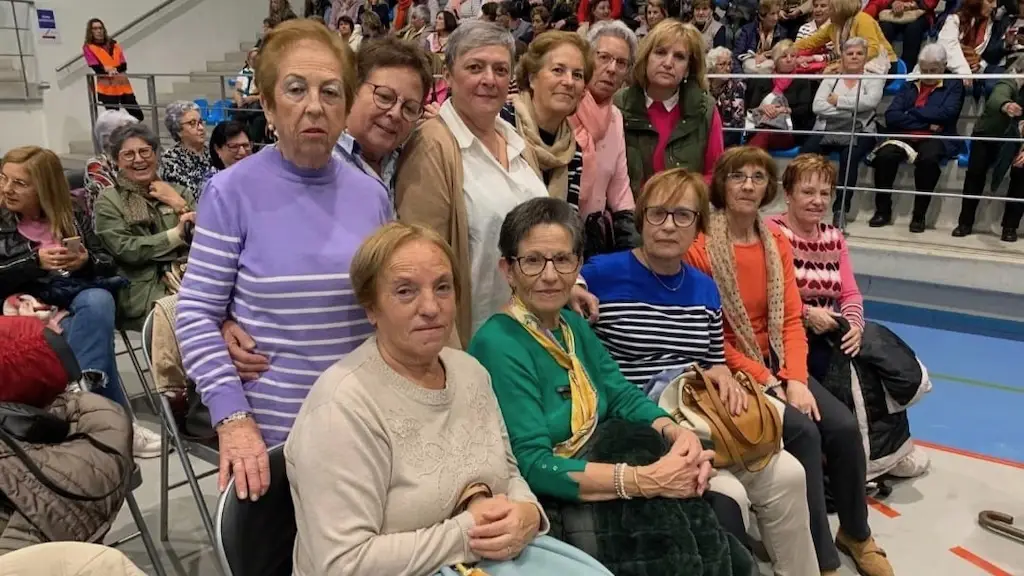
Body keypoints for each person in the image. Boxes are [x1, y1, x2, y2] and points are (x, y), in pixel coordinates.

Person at [285, 222, 612, 576]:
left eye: (442, 287)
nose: (431, 307)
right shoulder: (342, 408)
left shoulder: (470, 372)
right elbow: (343, 564)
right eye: (405, 291)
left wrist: (528, 513)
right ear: (371, 308)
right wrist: (467, 532)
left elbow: (508, 472)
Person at [468, 197, 755, 576]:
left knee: (725, 529)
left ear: (578, 265)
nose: (550, 275)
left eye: (562, 259)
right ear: (508, 269)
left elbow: (620, 393)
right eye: (533, 261)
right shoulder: (499, 341)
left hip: (607, 468)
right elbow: (533, 465)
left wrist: (676, 433)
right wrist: (645, 481)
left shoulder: (572, 327)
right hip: (556, 495)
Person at [176, 19, 391, 502]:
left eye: (331, 91)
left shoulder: (373, 195)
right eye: (295, 89)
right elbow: (193, 314)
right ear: (269, 106)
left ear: (346, 105)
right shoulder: (231, 191)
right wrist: (233, 418)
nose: (314, 105)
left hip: (363, 427)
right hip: (271, 440)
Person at [575, 168, 818, 575]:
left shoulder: (705, 288)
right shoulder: (602, 272)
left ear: (698, 228)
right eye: (657, 214)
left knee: (790, 474)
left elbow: (711, 358)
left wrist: (721, 371)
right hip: (640, 420)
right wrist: (573, 289)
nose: (669, 226)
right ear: (641, 219)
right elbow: (561, 285)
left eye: (683, 216)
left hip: (701, 411)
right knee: (731, 495)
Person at [685, 146, 895, 576]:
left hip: (779, 364)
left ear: (767, 189)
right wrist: (767, 379)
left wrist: (795, 379)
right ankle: (820, 559)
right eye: (737, 176)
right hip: (733, 368)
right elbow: (712, 337)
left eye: (757, 178)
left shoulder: (773, 239)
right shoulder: (701, 246)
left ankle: (855, 531)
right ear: (721, 183)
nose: (747, 185)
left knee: (841, 426)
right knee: (803, 432)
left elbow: (791, 320)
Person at [767, 155, 932, 479]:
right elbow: (767, 296)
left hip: (831, 326)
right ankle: (861, 461)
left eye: (825, 193)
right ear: (788, 194)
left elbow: (850, 294)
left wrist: (853, 325)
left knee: (872, 360)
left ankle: (888, 452)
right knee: (849, 372)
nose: (817, 201)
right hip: (787, 332)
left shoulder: (833, 237)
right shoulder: (773, 232)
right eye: (808, 192)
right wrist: (806, 313)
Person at [0, 145, 162, 458]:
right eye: (4, 178)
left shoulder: (72, 214)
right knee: (94, 328)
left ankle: (84, 401)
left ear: (44, 186)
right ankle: (117, 423)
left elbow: (106, 262)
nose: (7, 188)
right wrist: (33, 262)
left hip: (69, 302)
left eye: (19, 183)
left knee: (98, 300)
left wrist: (85, 262)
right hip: (20, 311)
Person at [395, 20, 548, 345]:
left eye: (500, 69)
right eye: (475, 67)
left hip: (529, 335)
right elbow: (423, 260)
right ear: (448, 75)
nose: (489, 80)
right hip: (470, 339)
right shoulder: (432, 145)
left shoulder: (518, 143)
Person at [94, 123, 195, 331]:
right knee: (189, 319)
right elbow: (127, 249)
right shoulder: (109, 200)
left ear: (156, 155)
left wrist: (177, 203)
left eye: (144, 151)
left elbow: (205, 238)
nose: (139, 159)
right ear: (116, 161)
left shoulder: (178, 192)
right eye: (128, 154)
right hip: (142, 293)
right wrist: (175, 236)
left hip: (188, 278)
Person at [615, 20, 724, 196]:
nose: (668, 63)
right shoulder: (618, 104)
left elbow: (715, 174)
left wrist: (675, 196)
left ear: (688, 69)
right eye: (660, 52)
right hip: (628, 215)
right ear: (646, 57)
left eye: (679, 57)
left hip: (684, 213)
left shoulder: (706, 109)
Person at [869, 43, 965, 231]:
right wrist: (926, 122)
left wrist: (911, 112)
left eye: (933, 70)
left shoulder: (954, 84)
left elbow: (947, 114)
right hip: (904, 135)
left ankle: (919, 216)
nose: (928, 75)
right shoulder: (910, 85)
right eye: (924, 69)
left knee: (928, 160)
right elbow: (891, 116)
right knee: (884, 156)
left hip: (938, 137)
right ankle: (882, 210)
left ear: (944, 66)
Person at [569, 21, 639, 259]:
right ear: (587, 58)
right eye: (604, 57)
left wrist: (633, 249)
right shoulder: (563, 104)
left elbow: (620, 188)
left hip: (593, 237)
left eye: (621, 63)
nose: (612, 68)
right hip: (556, 233)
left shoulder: (616, 117)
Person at [337, 35, 433, 207]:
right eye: (384, 97)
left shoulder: (410, 163)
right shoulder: (315, 162)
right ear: (353, 89)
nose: (396, 114)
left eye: (410, 108)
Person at [799, 37, 883, 226]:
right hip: (826, 128)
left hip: (860, 130)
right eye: (850, 53)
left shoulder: (873, 78)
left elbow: (870, 102)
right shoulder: (832, 77)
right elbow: (817, 106)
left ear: (865, 57)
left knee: (850, 156)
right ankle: (801, 204)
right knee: (805, 155)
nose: (854, 57)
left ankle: (841, 210)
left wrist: (837, 101)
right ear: (843, 56)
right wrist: (852, 109)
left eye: (859, 53)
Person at [500, 31, 588, 206]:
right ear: (532, 78)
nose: (569, 82)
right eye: (558, 70)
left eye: (577, 75)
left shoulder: (572, 149)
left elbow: (569, 215)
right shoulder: (502, 123)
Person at [953, 60, 1024, 241]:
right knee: (975, 172)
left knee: (1021, 172)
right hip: (989, 134)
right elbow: (997, 97)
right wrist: (1007, 105)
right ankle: (965, 223)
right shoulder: (1009, 80)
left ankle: (1010, 227)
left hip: (1018, 140)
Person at [744, 40, 817, 151]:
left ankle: (747, 163)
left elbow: (805, 111)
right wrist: (763, 108)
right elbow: (750, 106)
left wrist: (784, 110)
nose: (789, 59)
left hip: (788, 130)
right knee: (763, 133)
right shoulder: (761, 80)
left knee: (765, 134)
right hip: (760, 126)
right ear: (775, 60)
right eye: (784, 56)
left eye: (793, 56)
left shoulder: (803, 81)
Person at [794, 0, 896, 73]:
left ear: (839, 10)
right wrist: (787, 48)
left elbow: (873, 50)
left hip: (882, 65)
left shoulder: (863, 20)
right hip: (852, 64)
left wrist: (843, 65)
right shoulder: (834, 26)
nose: (827, 12)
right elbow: (810, 41)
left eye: (830, 9)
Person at [935, 0, 1007, 96]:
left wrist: (979, 65)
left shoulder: (993, 24)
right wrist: (965, 72)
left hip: (974, 76)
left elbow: (988, 56)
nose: (994, 6)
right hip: (944, 72)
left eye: (995, 1)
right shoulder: (955, 19)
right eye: (990, 1)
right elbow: (947, 48)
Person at [82, 18, 143, 122]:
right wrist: (106, 70)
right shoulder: (89, 47)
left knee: (138, 116)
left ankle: (127, 132)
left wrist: (111, 69)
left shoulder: (114, 45)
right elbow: (96, 67)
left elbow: (123, 65)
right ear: (90, 31)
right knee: (113, 120)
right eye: (95, 28)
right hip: (108, 89)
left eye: (100, 28)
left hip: (123, 86)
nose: (98, 31)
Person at [159, 100, 212, 205]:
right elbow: (190, 197)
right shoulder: (170, 160)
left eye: (200, 122)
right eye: (192, 124)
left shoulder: (213, 152)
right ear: (178, 130)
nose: (201, 128)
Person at [84, 109, 138, 212]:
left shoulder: (134, 158)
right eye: (125, 132)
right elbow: (111, 203)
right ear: (107, 138)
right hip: (111, 220)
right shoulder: (96, 165)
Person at [864, 0, 933, 71]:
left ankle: (907, 72)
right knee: (885, 28)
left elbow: (930, 3)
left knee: (913, 29)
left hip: (919, 13)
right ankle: (885, 69)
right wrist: (891, 3)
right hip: (890, 13)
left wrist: (915, 4)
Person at [733, 0, 787, 73]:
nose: (776, 18)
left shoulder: (782, 32)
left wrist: (766, 56)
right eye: (772, 14)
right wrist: (741, 79)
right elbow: (735, 57)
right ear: (762, 16)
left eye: (777, 13)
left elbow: (783, 57)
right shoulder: (747, 31)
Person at [706, 47, 745, 148]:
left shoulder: (737, 86)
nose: (727, 68)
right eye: (722, 64)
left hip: (727, 135)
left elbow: (737, 121)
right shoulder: (702, 85)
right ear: (712, 67)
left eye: (729, 64)